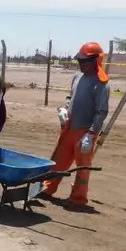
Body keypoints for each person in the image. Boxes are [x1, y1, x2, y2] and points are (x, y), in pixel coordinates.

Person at [43, 41, 110, 206]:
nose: (81, 65)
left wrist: (91, 134)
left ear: (95, 61)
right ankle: (47, 189)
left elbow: (101, 112)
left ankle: (78, 198)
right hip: (69, 127)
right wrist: (64, 109)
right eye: (79, 61)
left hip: (84, 132)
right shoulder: (77, 76)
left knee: (82, 167)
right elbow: (70, 96)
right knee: (59, 161)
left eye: (84, 62)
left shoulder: (101, 83)